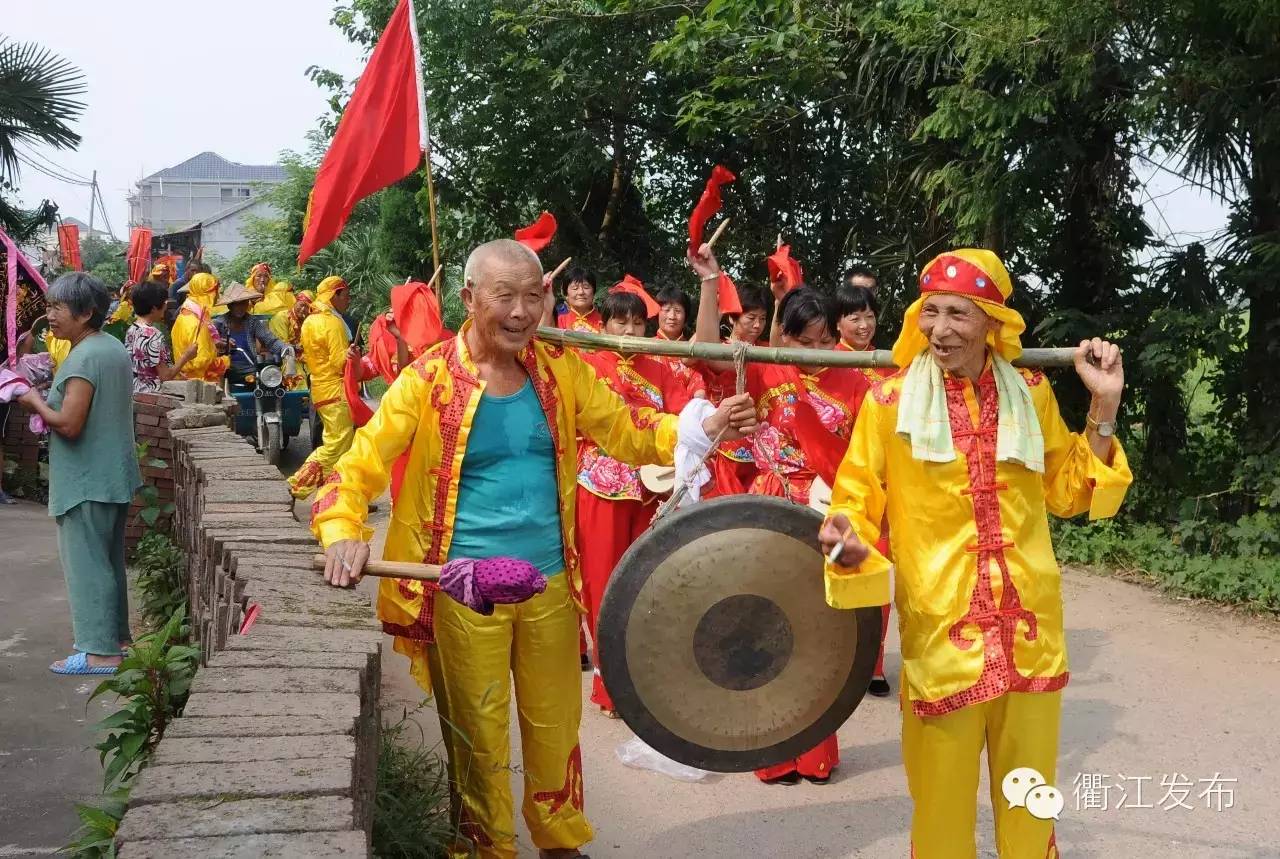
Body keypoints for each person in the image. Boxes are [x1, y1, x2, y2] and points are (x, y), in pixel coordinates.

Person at [315, 239, 757, 859]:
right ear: (469, 300)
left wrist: (702, 426)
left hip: (550, 582)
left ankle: (559, 840)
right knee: (479, 735)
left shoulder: (561, 369)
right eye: (505, 297)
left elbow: (627, 432)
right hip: (464, 587)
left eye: (533, 295)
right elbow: (359, 465)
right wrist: (341, 532)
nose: (522, 312)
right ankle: (486, 847)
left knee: (555, 725)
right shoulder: (429, 379)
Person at [817, 249, 1131, 858]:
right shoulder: (889, 403)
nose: (940, 329)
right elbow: (855, 496)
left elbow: (1067, 492)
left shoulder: (1032, 393)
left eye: (958, 313)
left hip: (1029, 632)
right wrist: (844, 538)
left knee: (1028, 802)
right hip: (941, 633)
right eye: (930, 312)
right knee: (940, 809)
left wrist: (1105, 405)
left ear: (992, 322)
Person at [691, 246, 870, 785]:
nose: (815, 353)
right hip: (772, 508)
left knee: (829, 631)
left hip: (834, 514)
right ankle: (770, 752)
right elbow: (704, 349)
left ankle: (817, 751)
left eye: (823, 342)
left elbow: (867, 462)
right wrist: (709, 282)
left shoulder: (858, 380)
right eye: (802, 342)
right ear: (784, 337)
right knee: (766, 625)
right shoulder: (766, 372)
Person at [575, 290, 697, 717]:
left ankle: (646, 683)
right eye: (619, 323)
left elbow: (684, 418)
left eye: (636, 324)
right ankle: (611, 688)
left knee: (651, 582)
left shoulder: (662, 368)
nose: (629, 332)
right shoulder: (585, 363)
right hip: (599, 486)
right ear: (603, 325)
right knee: (602, 582)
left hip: (652, 490)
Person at [16, 273, 142, 675]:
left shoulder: (85, 357)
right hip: (110, 475)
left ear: (86, 312)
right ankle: (117, 642)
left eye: (58, 307)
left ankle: (99, 652)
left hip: (87, 480)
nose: (50, 314)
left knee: (87, 565)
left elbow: (69, 424)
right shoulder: (110, 347)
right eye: (49, 305)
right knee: (106, 563)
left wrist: (34, 400)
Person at [287, 276, 357, 502]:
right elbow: (339, 362)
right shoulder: (332, 323)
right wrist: (353, 356)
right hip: (335, 391)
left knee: (343, 446)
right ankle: (297, 484)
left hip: (320, 388)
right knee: (336, 445)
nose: (348, 300)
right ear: (334, 295)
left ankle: (342, 496)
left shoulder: (310, 321)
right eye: (345, 295)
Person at [700, 283, 767, 498]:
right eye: (751, 318)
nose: (757, 325)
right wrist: (716, 306)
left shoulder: (769, 351)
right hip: (722, 447)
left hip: (760, 448)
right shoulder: (718, 348)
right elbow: (697, 350)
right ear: (732, 318)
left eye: (763, 319)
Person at [126, 281, 197, 394]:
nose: (166, 306)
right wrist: (186, 356)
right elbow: (165, 376)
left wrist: (176, 372)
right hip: (154, 397)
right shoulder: (153, 335)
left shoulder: (132, 329)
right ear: (154, 308)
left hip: (136, 392)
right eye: (164, 303)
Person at [213, 282, 289, 386]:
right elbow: (209, 344)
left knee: (273, 380)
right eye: (237, 304)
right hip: (225, 368)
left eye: (244, 303)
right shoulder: (219, 323)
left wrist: (285, 348)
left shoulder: (252, 322)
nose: (241, 307)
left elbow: (270, 339)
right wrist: (221, 344)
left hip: (250, 366)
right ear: (230, 306)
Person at [171, 272, 230, 382]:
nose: (217, 295)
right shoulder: (196, 323)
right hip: (200, 382)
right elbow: (201, 361)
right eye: (215, 291)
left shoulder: (184, 315)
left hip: (186, 376)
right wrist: (224, 362)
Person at [555, 267, 602, 332]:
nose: (581, 292)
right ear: (566, 295)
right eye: (575, 288)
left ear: (593, 293)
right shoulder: (559, 321)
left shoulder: (603, 322)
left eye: (586, 287)